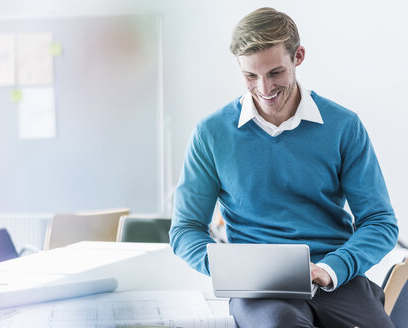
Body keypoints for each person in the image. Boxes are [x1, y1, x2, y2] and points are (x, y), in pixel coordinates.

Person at [169, 7, 398, 328]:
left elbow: (379, 222)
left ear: (298, 56)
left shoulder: (343, 126)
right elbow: (185, 229)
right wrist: (233, 269)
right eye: (250, 76)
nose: (264, 89)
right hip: (258, 288)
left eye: (275, 72)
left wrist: (331, 268)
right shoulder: (211, 133)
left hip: (335, 276)